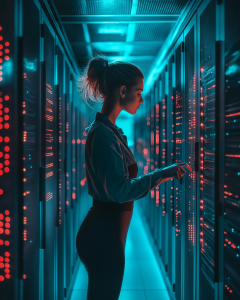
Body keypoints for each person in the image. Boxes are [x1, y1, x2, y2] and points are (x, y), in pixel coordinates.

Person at [76, 54, 191, 300]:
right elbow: (119, 191)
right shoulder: (104, 136)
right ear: (123, 90)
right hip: (103, 237)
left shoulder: (109, 132)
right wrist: (163, 174)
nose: (141, 98)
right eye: (138, 92)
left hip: (106, 234)